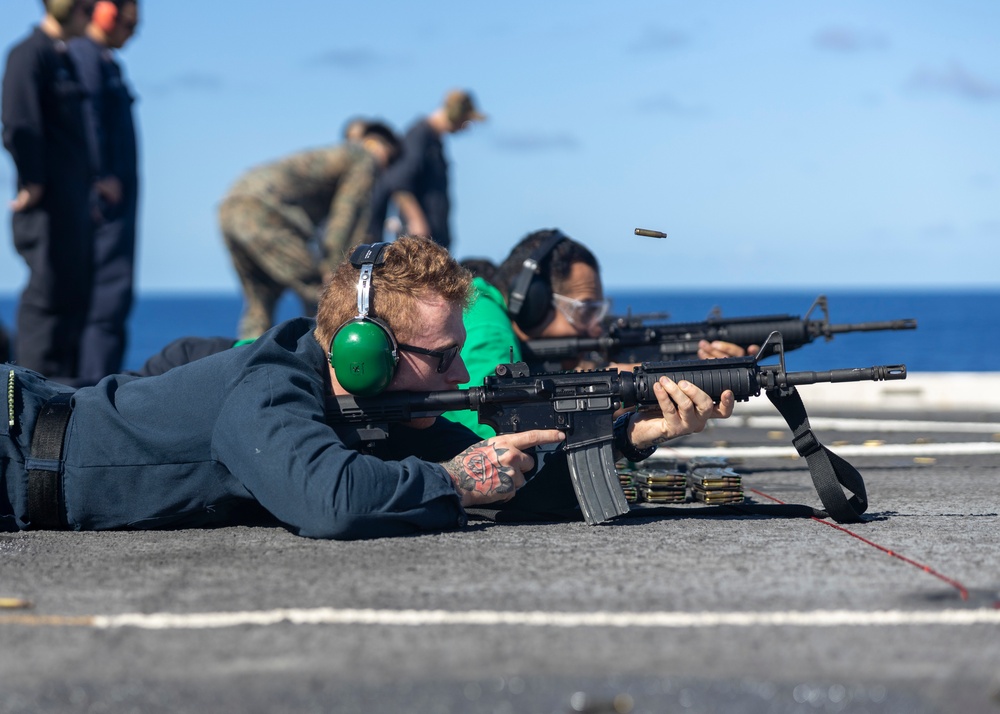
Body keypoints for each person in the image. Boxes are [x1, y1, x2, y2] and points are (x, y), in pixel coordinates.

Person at [1, 236, 732, 539]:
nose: (459, 375)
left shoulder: (377, 413)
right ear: (362, 352)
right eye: (441, 356)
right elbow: (330, 499)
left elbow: (511, 485)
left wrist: (636, 435)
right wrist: (453, 478)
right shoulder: (268, 385)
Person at [446, 229, 749, 439]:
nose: (595, 328)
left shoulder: (483, 310)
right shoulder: (486, 324)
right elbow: (499, 434)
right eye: (584, 310)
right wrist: (618, 391)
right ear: (532, 303)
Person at [220, 122, 401, 340]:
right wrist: (338, 267)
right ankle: (324, 359)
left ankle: (246, 360)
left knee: (260, 301)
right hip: (265, 213)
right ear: (377, 146)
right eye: (389, 160)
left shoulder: (337, 155)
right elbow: (347, 215)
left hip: (231, 207)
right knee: (326, 295)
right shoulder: (364, 158)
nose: (385, 170)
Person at [2, 0, 96, 386]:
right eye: (85, 6)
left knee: (73, 299)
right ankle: (29, 398)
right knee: (47, 298)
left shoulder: (64, 57)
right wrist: (33, 181)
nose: (91, 14)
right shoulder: (29, 55)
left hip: (72, 204)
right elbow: (17, 123)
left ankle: (60, 402)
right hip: (46, 206)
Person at [68, 0, 140, 383]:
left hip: (118, 203)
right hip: (107, 205)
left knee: (114, 300)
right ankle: (93, 392)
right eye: (130, 23)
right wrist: (101, 175)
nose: (133, 32)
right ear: (106, 13)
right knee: (106, 299)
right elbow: (88, 116)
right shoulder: (86, 55)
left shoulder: (105, 60)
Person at [368, 89, 486, 251]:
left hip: (434, 239)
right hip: (421, 241)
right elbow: (398, 181)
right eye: (466, 122)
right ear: (456, 114)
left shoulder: (434, 140)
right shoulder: (420, 136)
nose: (465, 128)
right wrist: (416, 221)